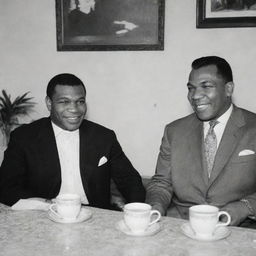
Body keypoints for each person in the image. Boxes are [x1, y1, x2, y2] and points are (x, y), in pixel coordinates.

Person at [0, 73, 145, 210]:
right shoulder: (24, 137)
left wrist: (136, 213)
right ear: (49, 103)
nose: (74, 109)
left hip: (95, 216)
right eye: (64, 102)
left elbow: (131, 181)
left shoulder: (104, 136)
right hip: (46, 214)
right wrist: (45, 204)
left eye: (80, 102)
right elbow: (6, 187)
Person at [146, 56, 256, 227]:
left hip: (240, 229)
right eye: (191, 88)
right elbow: (161, 183)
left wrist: (245, 207)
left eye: (206, 86)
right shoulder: (174, 131)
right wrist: (156, 206)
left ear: (228, 89)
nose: (195, 96)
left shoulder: (253, 127)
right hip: (183, 227)